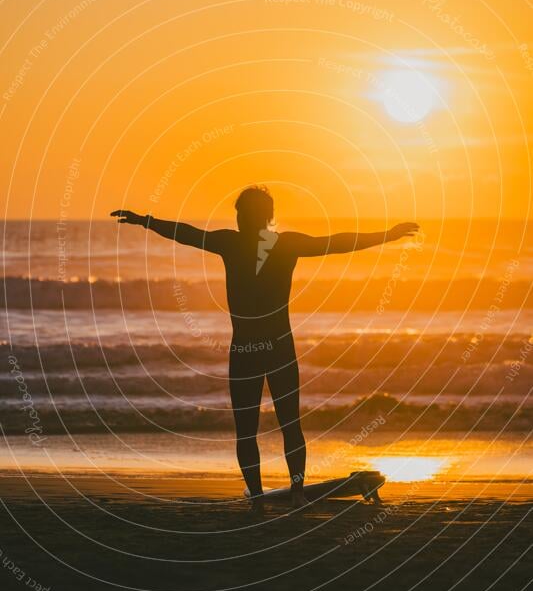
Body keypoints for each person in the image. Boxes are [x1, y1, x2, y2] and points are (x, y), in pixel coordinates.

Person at [111, 187, 418, 510]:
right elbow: (187, 234)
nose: (243, 219)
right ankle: (259, 496)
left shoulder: (259, 244)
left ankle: (290, 493)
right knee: (249, 428)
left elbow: (337, 243)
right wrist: (147, 221)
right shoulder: (259, 244)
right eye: (241, 214)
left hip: (265, 350)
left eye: (248, 214)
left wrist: (386, 235)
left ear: (266, 217)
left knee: (287, 424)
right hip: (259, 349)